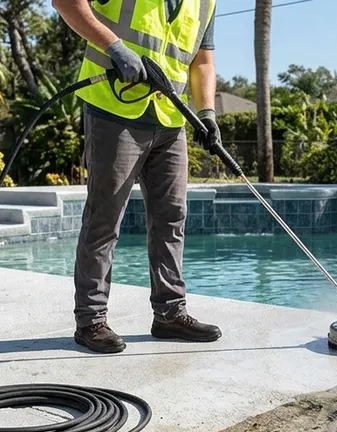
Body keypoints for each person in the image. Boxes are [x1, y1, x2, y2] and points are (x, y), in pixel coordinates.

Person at [53, 0, 222, 354]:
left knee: (171, 218)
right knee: (105, 217)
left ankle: (170, 314)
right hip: (114, 110)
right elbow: (66, 3)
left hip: (170, 119)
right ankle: (91, 320)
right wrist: (114, 47)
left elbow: (202, 61)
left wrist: (207, 113)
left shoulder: (206, 1)